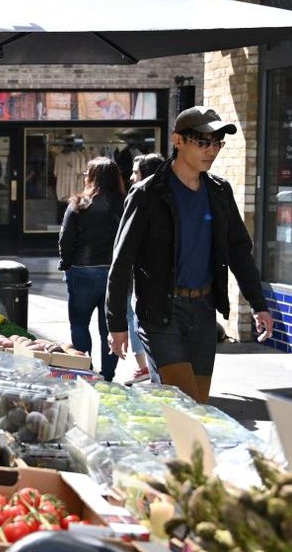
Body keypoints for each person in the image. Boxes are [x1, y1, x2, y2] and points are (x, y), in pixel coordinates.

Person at [106, 106, 273, 403]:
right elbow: (122, 260)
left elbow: (239, 251)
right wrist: (116, 324)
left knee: (197, 402)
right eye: (202, 142)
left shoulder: (220, 192)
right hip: (161, 312)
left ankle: (169, 448)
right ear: (178, 140)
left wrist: (258, 304)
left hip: (204, 311)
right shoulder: (148, 194)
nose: (211, 151)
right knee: (182, 399)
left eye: (217, 143)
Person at [58, 157, 125, 382]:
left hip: (82, 270)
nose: (84, 176)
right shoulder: (124, 205)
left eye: (87, 173)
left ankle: (85, 369)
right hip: (114, 274)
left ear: (92, 177)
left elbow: (66, 238)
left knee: (79, 323)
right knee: (110, 328)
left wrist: (65, 264)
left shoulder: (79, 203)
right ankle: (107, 376)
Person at [124, 153, 166, 385]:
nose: (131, 177)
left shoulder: (142, 200)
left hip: (152, 283)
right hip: (147, 279)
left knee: (139, 321)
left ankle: (148, 369)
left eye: (135, 172)